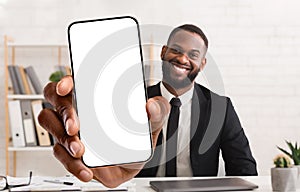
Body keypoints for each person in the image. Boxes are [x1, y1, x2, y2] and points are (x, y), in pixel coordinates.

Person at [38, 24, 257, 188]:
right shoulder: (131, 100)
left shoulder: (221, 107)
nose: (183, 58)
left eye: (193, 55)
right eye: (176, 50)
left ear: (202, 63)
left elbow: (244, 169)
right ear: (163, 52)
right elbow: (108, 162)